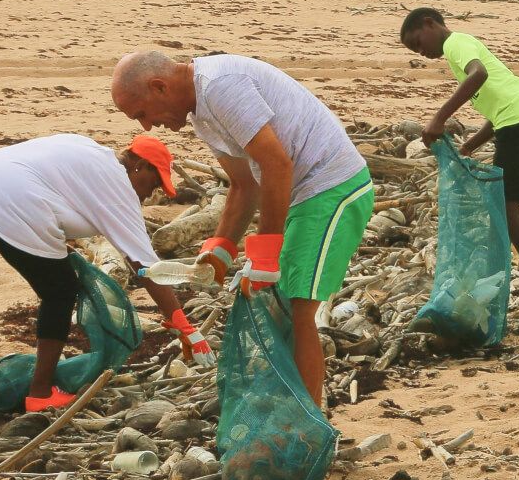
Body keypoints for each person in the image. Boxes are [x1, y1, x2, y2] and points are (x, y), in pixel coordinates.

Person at [110, 51, 373, 406]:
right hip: (302, 196)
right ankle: (290, 408)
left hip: (332, 187)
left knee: (299, 307)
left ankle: (307, 423)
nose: (146, 127)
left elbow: (277, 166)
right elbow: (243, 184)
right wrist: (221, 249)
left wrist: (264, 257)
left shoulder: (220, 86)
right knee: (278, 305)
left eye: (142, 114)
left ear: (159, 87)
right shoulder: (202, 113)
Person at [0, 134, 214, 414]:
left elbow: (54, 189)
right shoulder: (118, 185)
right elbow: (146, 268)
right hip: (16, 197)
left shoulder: (87, 149)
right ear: (140, 165)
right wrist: (185, 327)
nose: (150, 194)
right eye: (154, 183)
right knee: (61, 291)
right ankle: (40, 394)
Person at [399, 7, 519, 333]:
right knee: (506, 211)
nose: (421, 53)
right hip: (517, 120)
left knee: (508, 212)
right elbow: (498, 108)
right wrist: (470, 145)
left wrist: (439, 117)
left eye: (418, 42)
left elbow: (479, 75)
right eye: (414, 52)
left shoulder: (457, 44)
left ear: (430, 24)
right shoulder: (458, 54)